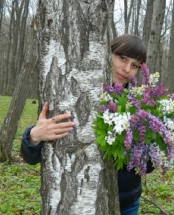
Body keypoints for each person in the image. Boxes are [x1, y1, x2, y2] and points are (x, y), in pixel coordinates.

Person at [20, 34, 154, 215]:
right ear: (108, 54)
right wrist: (34, 136)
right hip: (81, 201)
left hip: (126, 202)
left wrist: (150, 146)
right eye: (122, 58)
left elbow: (148, 166)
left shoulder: (141, 105)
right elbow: (30, 157)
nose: (127, 69)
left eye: (135, 65)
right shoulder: (78, 90)